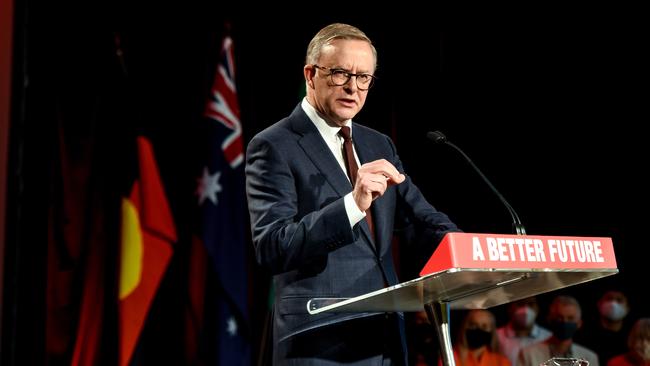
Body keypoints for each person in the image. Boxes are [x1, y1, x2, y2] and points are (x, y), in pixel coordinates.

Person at [245, 23, 460, 365]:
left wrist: (469, 249)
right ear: (310, 74)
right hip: (319, 340)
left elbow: (421, 217)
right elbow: (273, 246)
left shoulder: (378, 143)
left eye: (364, 78)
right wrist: (351, 205)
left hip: (385, 337)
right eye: (341, 73)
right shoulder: (273, 145)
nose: (352, 87)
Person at [516, 295, 599, 366]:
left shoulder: (589, 357)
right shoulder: (528, 354)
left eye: (570, 318)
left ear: (579, 323)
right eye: (559, 317)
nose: (564, 322)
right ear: (549, 319)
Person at [575, 290, 632, 366]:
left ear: (627, 308)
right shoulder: (584, 335)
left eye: (619, 300)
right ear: (599, 304)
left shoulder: (632, 338)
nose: (613, 304)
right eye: (609, 299)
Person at [438, 309, 511, 366]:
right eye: (473, 325)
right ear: (465, 327)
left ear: (491, 331)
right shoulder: (449, 358)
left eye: (484, 326)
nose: (478, 329)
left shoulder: (501, 362)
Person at [496, 296, 552, 365]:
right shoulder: (497, 337)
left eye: (531, 304)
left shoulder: (547, 337)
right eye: (520, 304)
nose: (526, 310)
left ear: (537, 308)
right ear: (509, 308)